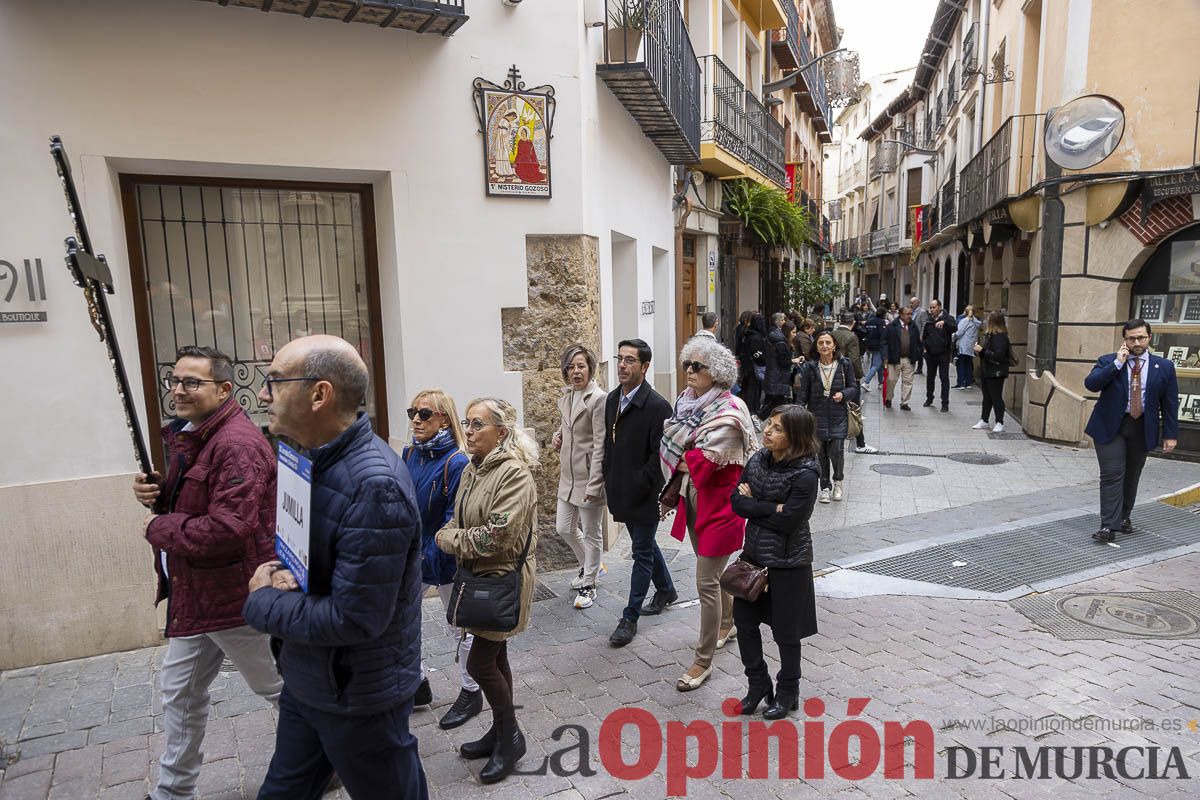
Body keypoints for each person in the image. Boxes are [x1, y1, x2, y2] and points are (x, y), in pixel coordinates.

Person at [246, 335, 427, 800]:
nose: (263, 394)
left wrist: (261, 601)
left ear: (319, 394)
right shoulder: (306, 454)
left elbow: (356, 616)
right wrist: (277, 568)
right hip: (310, 677)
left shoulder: (374, 486)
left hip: (358, 695)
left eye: (275, 382)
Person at [132, 346, 281, 800]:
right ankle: (172, 792)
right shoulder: (193, 434)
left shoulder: (235, 444)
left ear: (222, 389)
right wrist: (160, 489)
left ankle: (328, 757)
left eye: (192, 383)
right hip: (197, 595)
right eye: (175, 381)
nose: (178, 390)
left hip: (232, 595)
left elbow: (227, 528)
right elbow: (199, 500)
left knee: (279, 688)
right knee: (179, 693)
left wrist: (159, 525)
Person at [435, 397, 540, 784]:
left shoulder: (513, 474)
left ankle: (511, 738)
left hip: (502, 578)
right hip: (478, 577)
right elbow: (458, 514)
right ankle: (500, 732)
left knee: (480, 663)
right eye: (468, 422)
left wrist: (449, 540)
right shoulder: (472, 469)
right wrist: (452, 531)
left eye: (478, 423)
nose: (470, 430)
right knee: (496, 658)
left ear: (502, 431)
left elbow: (496, 536)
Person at [659, 337, 758, 691]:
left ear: (715, 373)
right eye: (687, 364)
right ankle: (727, 623)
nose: (689, 371)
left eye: (697, 366)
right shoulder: (687, 405)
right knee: (714, 577)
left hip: (722, 508)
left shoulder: (730, 412)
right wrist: (688, 457)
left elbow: (700, 461)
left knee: (706, 583)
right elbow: (680, 448)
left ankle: (702, 662)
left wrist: (687, 456)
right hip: (695, 502)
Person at [730, 405, 821, 720]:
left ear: (795, 437)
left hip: (788, 562)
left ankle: (787, 691)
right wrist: (772, 507)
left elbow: (791, 521)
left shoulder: (806, 474)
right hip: (753, 558)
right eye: (769, 424)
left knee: (786, 632)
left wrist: (755, 504)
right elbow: (736, 502)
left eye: (778, 428)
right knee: (743, 621)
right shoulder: (757, 460)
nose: (768, 430)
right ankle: (758, 684)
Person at [402, 389, 477, 730]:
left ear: (445, 419)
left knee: (460, 627)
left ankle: (471, 689)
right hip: (412, 555)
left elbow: (453, 518)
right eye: (412, 413)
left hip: (443, 556)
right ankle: (416, 684)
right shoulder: (410, 455)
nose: (416, 420)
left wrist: (427, 556)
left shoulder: (457, 462)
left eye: (425, 414)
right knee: (397, 619)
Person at [605, 339, 677, 647]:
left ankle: (629, 617)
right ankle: (666, 589)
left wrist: (640, 485)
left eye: (630, 360)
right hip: (620, 489)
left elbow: (659, 458)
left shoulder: (658, 406)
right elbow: (610, 444)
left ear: (644, 367)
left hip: (645, 493)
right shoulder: (612, 400)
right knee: (643, 544)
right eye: (620, 359)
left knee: (641, 552)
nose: (622, 365)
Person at [1083, 319, 1179, 544]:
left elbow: (1170, 403)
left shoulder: (1163, 366)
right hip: (1110, 427)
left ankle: (1124, 517)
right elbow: (1091, 384)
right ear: (1124, 339)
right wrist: (1117, 363)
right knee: (1112, 475)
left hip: (1142, 427)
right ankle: (1108, 525)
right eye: (1131, 338)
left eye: (1141, 337)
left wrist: (1171, 434)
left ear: (1149, 338)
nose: (1136, 342)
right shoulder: (1108, 361)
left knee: (1131, 475)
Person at [551, 344, 607, 610]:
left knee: (592, 533)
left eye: (581, 366)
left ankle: (589, 584)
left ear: (590, 368)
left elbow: (600, 444)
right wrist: (557, 437)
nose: (576, 371)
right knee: (563, 527)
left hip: (588, 478)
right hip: (567, 477)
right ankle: (590, 567)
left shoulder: (598, 399)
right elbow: (567, 429)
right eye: (571, 367)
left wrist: (595, 484)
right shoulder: (567, 397)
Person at [796, 331, 859, 502]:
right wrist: (798, 414)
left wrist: (843, 394)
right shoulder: (810, 367)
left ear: (834, 345)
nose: (824, 346)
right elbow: (803, 393)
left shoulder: (844, 364)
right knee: (820, 454)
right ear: (816, 346)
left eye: (828, 343)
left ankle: (838, 481)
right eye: (821, 343)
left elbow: (854, 387)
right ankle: (825, 487)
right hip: (817, 416)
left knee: (836, 451)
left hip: (838, 415)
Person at [972, 312, 1012, 434]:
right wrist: (979, 350)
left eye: (989, 319)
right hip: (988, 370)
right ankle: (984, 420)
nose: (986, 321)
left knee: (996, 397)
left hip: (996, 372)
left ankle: (1000, 422)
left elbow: (999, 356)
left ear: (993, 321)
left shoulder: (1000, 337)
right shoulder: (990, 335)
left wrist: (982, 350)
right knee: (987, 397)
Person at [920, 299, 957, 412]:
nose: (931, 310)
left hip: (943, 354)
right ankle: (929, 398)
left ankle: (945, 403)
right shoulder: (929, 320)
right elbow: (925, 336)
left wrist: (944, 322)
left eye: (934, 307)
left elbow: (955, 327)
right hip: (930, 354)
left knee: (944, 378)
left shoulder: (948, 318)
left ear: (939, 307)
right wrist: (925, 348)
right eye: (930, 308)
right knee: (930, 378)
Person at [884, 306, 923, 411]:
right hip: (894, 358)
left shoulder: (913, 326)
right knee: (891, 380)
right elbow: (884, 342)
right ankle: (888, 398)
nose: (910, 316)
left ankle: (904, 402)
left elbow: (918, 342)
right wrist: (885, 356)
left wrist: (917, 353)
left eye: (911, 314)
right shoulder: (892, 326)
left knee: (908, 381)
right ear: (901, 315)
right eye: (907, 314)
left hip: (909, 358)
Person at [761, 312, 793, 419]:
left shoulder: (776, 338)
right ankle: (759, 417)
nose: (795, 335)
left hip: (775, 376)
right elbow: (783, 362)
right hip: (777, 377)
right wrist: (794, 360)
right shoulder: (780, 343)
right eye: (793, 332)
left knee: (777, 402)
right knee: (777, 402)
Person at [736, 313, 768, 414]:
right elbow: (757, 354)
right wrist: (764, 360)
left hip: (748, 366)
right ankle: (752, 410)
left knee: (749, 388)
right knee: (753, 389)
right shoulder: (755, 337)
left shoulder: (747, 334)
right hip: (754, 367)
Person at [953, 305, 982, 389]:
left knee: (961, 363)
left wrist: (954, 336)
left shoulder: (965, 321)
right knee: (968, 364)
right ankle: (968, 382)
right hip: (971, 346)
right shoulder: (976, 322)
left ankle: (961, 383)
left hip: (963, 345)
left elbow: (959, 333)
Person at [863, 306, 888, 391]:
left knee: (880, 365)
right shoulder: (881, 322)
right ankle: (866, 382)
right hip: (879, 346)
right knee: (876, 365)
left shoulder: (869, 321)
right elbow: (883, 335)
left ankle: (881, 382)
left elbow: (865, 331)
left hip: (870, 345)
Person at [910, 298, 927, 375]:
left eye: (912, 303)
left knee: (919, 352)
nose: (911, 304)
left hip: (919, 335)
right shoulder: (911, 312)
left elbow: (924, 324)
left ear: (917, 303)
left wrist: (921, 335)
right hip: (912, 335)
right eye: (910, 303)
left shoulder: (922, 312)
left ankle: (919, 368)